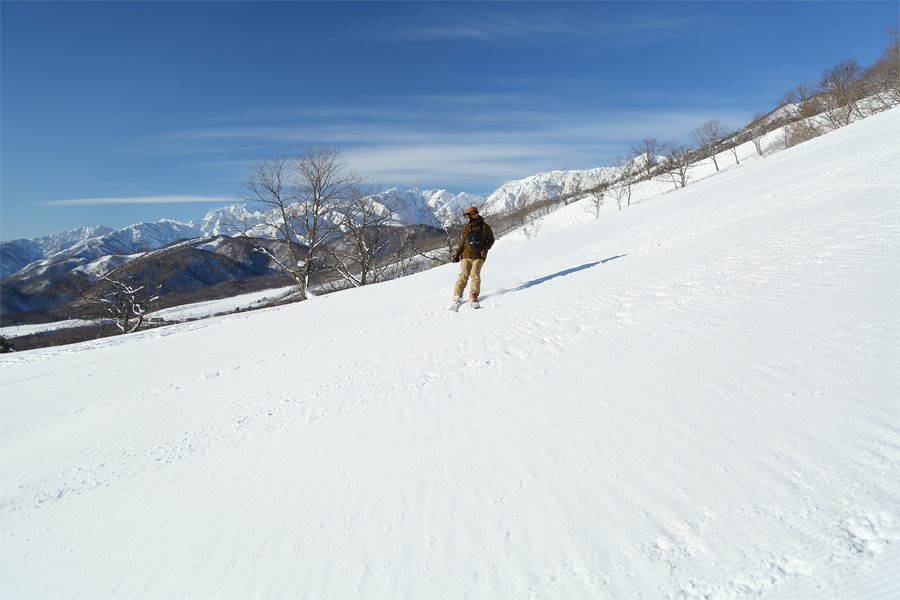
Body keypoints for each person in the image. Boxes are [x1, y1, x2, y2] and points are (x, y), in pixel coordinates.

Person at [450, 206, 494, 309]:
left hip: (479, 255)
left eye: (467, 216)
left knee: (475, 273)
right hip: (466, 254)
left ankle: (474, 294)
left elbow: (491, 239)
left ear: (473, 216)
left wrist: (486, 249)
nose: (466, 218)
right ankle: (457, 295)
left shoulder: (485, 227)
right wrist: (457, 253)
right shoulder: (466, 228)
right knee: (464, 274)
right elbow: (463, 242)